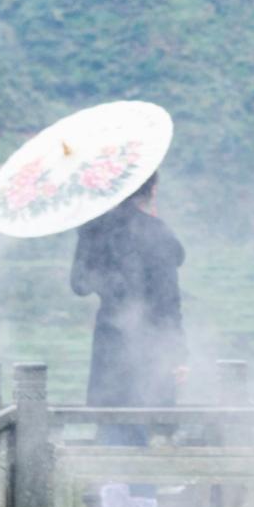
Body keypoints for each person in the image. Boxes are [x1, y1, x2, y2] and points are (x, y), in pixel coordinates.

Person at [69, 173, 186, 446]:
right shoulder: (157, 233)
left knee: (112, 419)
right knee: (146, 423)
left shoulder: (94, 230)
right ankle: (141, 488)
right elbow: (168, 302)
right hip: (152, 343)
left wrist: (86, 235)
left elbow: (79, 284)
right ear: (152, 190)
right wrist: (179, 353)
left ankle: (114, 487)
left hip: (110, 338)